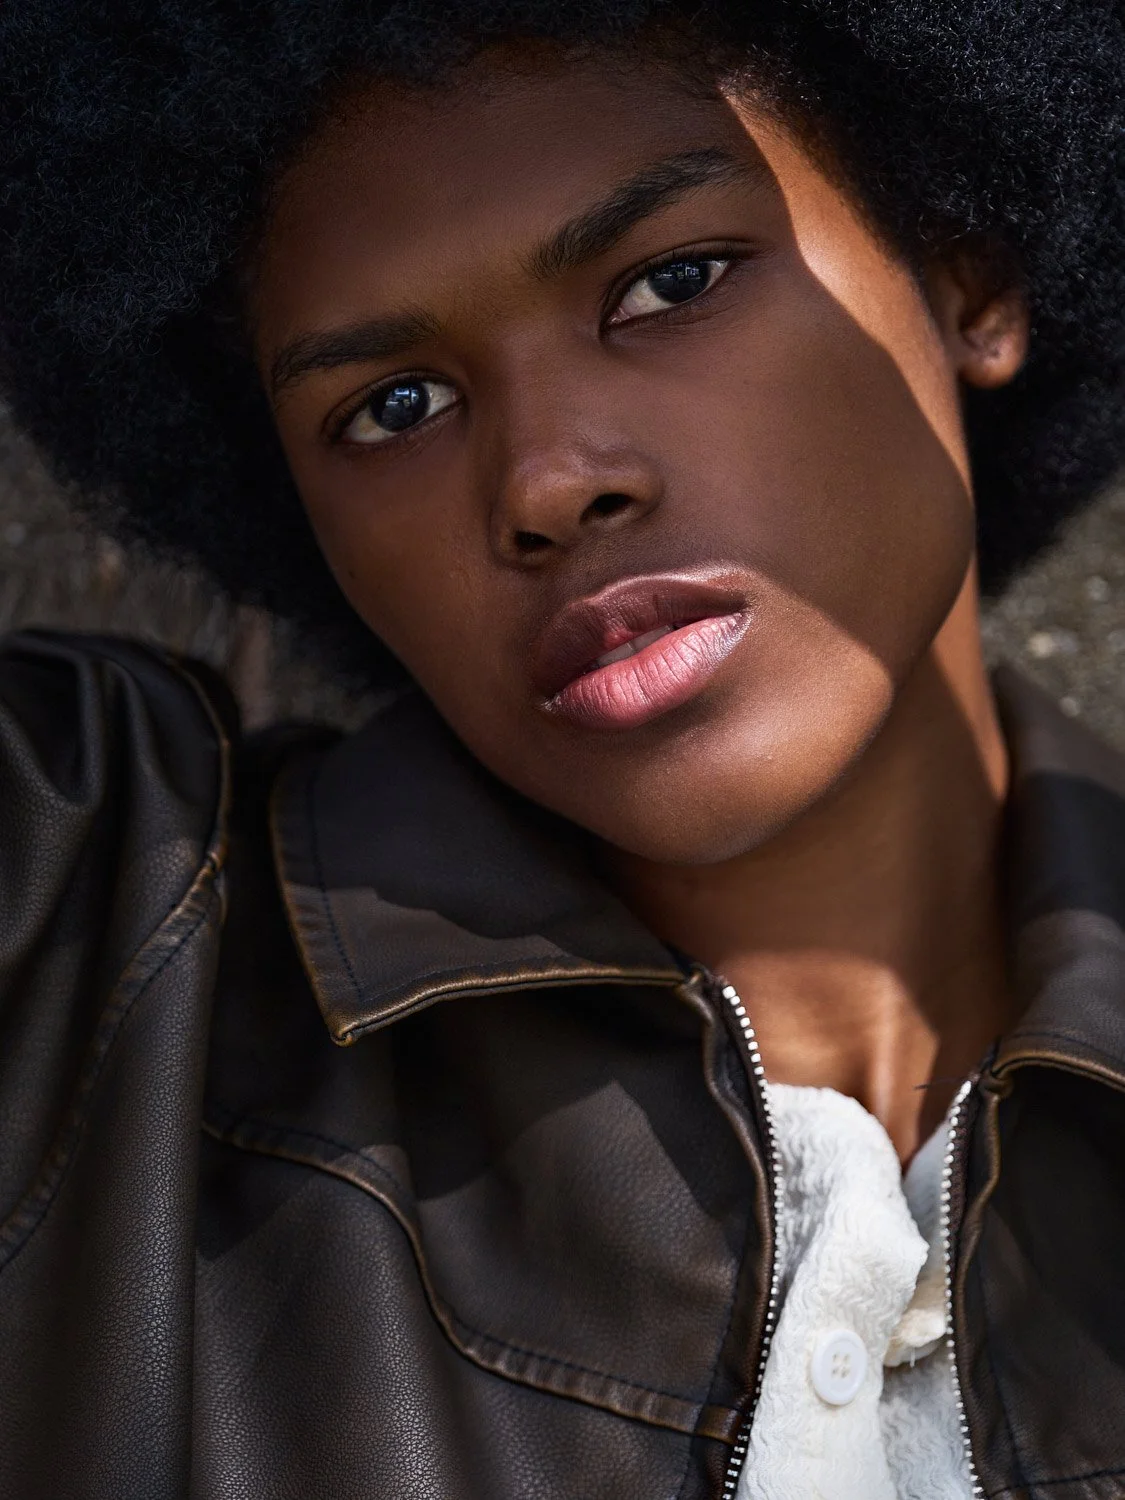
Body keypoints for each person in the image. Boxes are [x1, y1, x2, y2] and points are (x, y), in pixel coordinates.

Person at [1, 3, 1124, 1496]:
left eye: (672, 282)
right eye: (393, 407)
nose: (547, 479)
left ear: (968, 267)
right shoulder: (86, 937)